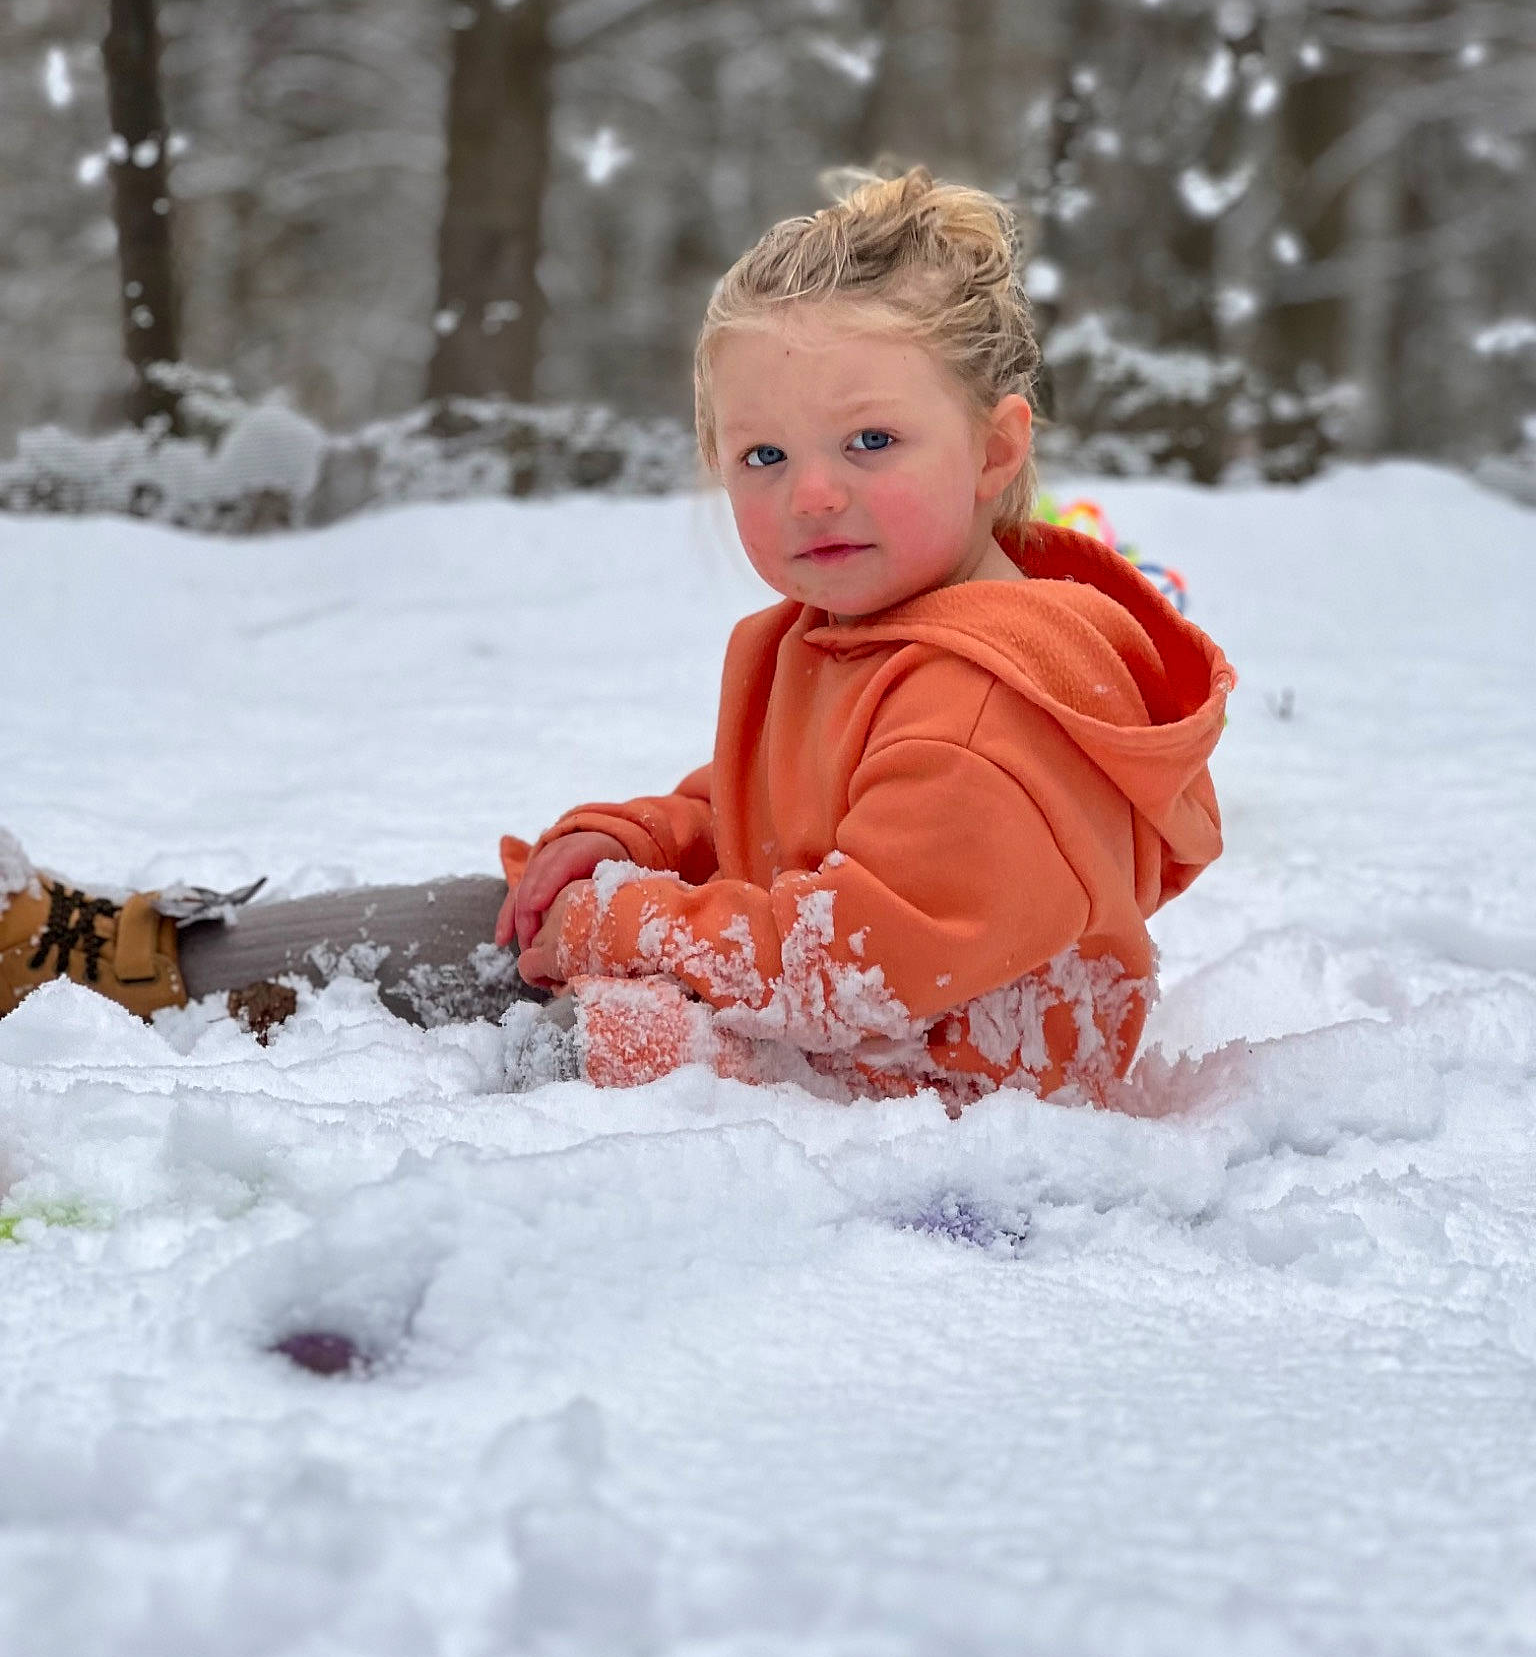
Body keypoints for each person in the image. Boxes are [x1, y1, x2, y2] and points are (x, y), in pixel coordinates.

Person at [0, 167, 1233, 1109]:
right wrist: (638, 841)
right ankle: (133, 960)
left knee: (573, 1019)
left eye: (870, 441)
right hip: (823, 1028)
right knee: (506, 919)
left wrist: (622, 923)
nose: (813, 493)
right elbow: (780, 810)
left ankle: (266, 1107)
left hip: (923, 1088)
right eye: (765, 454)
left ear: (996, 448)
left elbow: (856, 961)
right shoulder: (859, 629)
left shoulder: (985, 704)